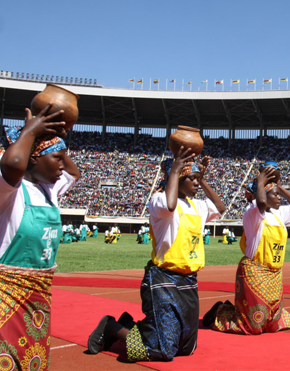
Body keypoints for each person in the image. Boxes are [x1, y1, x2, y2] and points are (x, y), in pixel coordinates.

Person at [0, 105, 79, 370]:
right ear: (34, 158)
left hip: (35, 302)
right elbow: (14, 163)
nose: (63, 165)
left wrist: (59, 135)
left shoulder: (49, 190)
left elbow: (74, 174)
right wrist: (30, 132)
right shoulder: (5, 192)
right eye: (57, 158)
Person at [88, 147, 225, 361]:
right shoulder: (159, 200)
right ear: (177, 177)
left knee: (186, 348)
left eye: (197, 179)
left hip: (189, 281)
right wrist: (174, 170)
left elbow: (220, 207)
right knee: (161, 350)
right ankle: (112, 327)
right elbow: (171, 206)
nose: (197, 183)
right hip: (164, 279)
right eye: (192, 178)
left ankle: (131, 325)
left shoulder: (197, 205)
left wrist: (203, 178)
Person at [204, 164, 290, 335]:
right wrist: (261, 182)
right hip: (254, 272)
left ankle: (233, 309)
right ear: (263, 195)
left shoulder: (279, 214)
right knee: (252, 326)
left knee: (272, 325)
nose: (280, 199)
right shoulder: (252, 212)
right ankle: (220, 311)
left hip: (274, 274)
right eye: (276, 195)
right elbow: (261, 203)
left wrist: (278, 186)